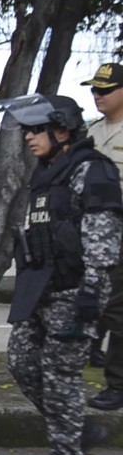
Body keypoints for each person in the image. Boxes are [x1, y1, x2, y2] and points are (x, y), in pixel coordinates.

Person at [2, 94, 121, 455]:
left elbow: (103, 238)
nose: (29, 138)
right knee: (21, 361)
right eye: (27, 131)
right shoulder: (47, 171)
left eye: (37, 130)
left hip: (75, 289)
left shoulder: (92, 170)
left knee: (61, 372)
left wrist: (92, 293)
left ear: (63, 129)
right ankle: (78, 429)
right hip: (41, 287)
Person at [81, 63, 123, 409]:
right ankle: (92, 350)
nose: (98, 96)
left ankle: (117, 383)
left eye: (105, 90)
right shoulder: (92, 133)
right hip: (92, 234)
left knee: (119, 309)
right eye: (95, 90)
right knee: (98, 302)